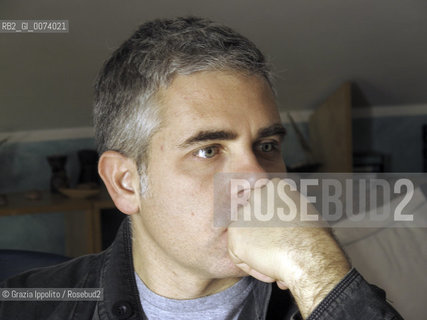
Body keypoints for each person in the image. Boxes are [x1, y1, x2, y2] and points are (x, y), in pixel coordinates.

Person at [0, 16, 403, 319]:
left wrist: (318, 273)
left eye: (266, 146)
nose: (259, 181)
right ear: (125, 183)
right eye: (209, 151)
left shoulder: (326, 295)